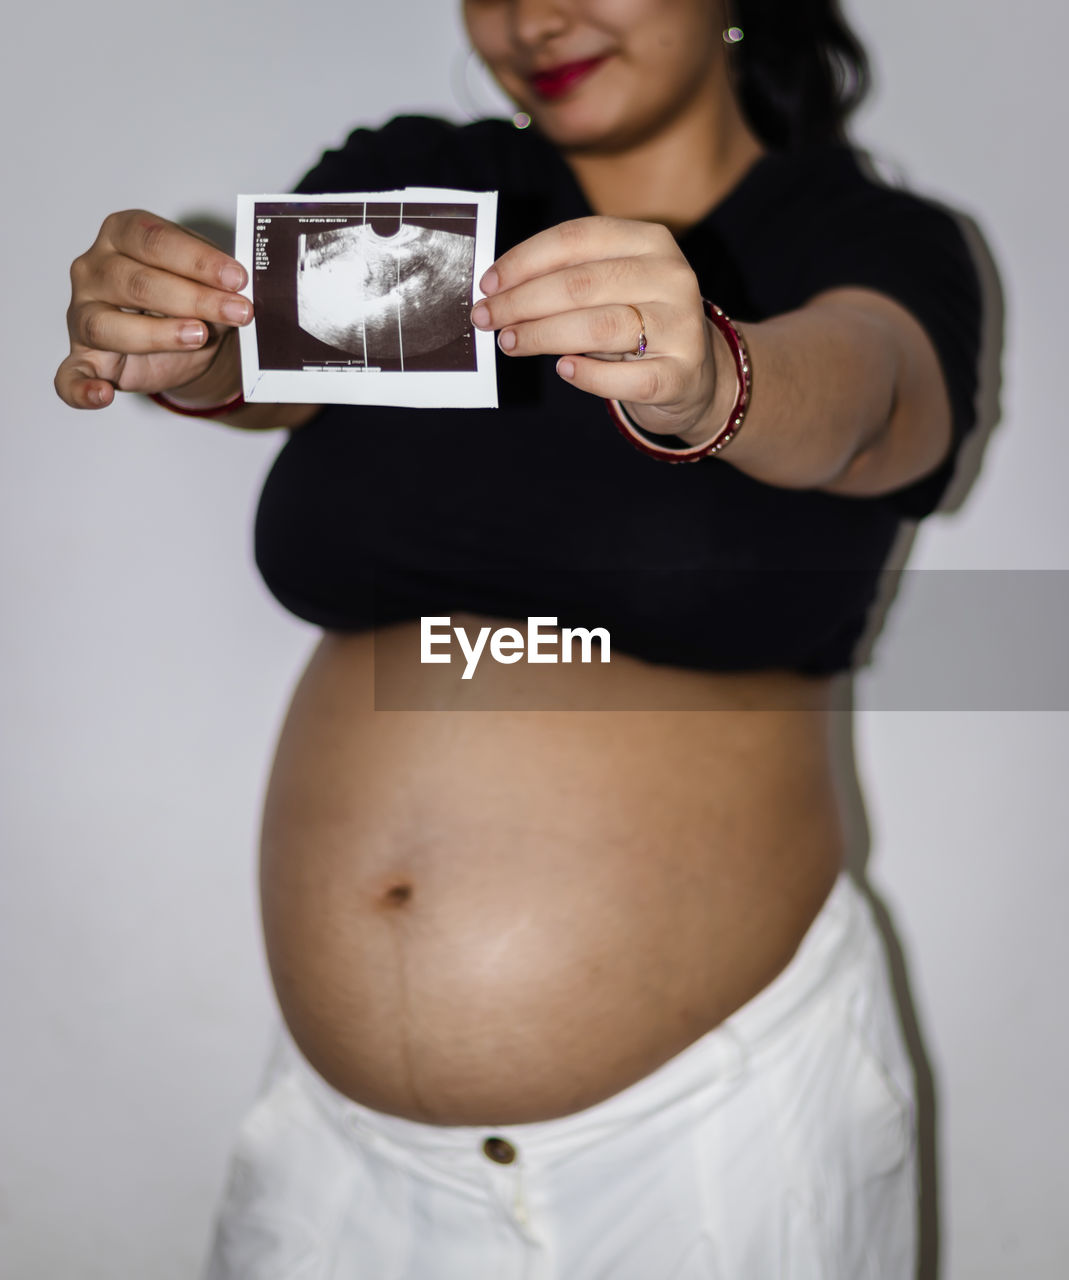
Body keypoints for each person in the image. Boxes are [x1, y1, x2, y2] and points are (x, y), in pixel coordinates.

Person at [54, 1, 986, 1275]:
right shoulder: (438, 186)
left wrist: (718, 375)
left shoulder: (853, 240)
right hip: (340, 1161)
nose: (530, 15)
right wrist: (188, 339)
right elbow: (271, 365)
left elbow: (871, 400)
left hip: (713, 1146)